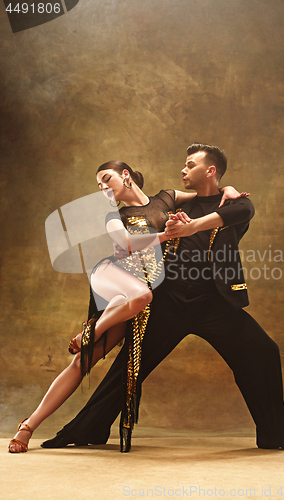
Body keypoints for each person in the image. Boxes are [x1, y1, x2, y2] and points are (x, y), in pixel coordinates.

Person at [40, 143, 284, 453]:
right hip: (169, 300)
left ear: (211, 171)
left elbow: (238, 212)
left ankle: (275, 434)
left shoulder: (234, 204)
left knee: (263, 352)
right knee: (129, 366)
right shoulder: (172, 204)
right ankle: (85, 429)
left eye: (191, 164)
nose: (183, 169)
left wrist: (195, 223)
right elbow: (141, 218)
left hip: (215, 303)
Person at [8, 159, 243, 453]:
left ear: (126, 175)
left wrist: (229, 189)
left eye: (107, 179)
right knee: (142, 295)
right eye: (99, 185)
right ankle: (85, 338)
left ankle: (27, 425)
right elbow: (128, 244)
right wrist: (166, 235)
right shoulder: (113, 215)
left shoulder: (166, 198)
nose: (103, 187)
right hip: (112, 275)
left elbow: (207, 194)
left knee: (83, 362)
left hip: (130, 299)